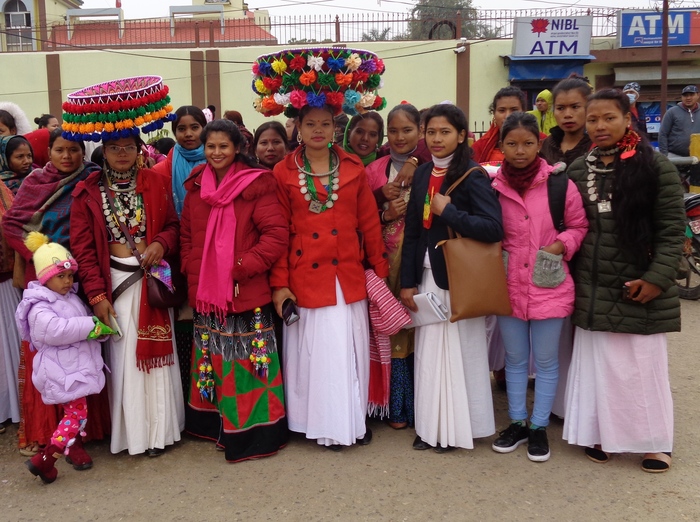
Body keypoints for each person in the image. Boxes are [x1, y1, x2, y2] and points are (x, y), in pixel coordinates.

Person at [563, 88, 684, 473]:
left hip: (639, 285)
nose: (599, 126)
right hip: (593, 285)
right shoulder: (580, 168)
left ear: (628, 118)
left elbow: (670, 231)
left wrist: (657, 280)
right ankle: (604, 436)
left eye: (608, 118)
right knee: (603, 368)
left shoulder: (655, 167)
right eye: (593, 119)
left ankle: (655, 443)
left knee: (641, 369)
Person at [271, 103, 389, 450]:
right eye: (310, 124)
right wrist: (280, 285)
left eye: (325, 124)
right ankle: (316, 422)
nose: (318, 130)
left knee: (346, 351)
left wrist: (379, 275)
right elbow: (280, 232)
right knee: (318, 354)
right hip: (306, 273)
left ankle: (351, 419)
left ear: (336, 127)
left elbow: (369, 224)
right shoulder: (282, 171)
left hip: (346, 272)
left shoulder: (352, 167)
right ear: (298, 128)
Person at [181, 119, 289, 462]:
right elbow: (187, 236)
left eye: (223, 147)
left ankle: (255, 436)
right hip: (209, 296)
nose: (216, 153)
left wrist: (239, 266)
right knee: (215, 362)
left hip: (245, 290)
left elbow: (276, 236)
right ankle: (218, 426)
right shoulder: (197, 186)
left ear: (238, 148)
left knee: (247, 366)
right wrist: (193, 267)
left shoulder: (257, 184)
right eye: (210, 147)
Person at [70, 133, 185, 457]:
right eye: (114, 148)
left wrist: (161, 243)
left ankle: (163, 432)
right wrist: (96, 296)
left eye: (128, 147)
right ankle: (136, 435)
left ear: (138, 150)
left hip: (153, 280)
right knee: (126, 360)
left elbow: (174, 226)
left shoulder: (155, 182)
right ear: (103, 152)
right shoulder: (87, 192)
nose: (122, 154)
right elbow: (84, 251)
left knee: (161, 359)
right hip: (115, 285)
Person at [400, 103, 502, 452]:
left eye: (445, 132)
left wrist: (450, 211)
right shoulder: (424, 173)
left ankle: (459, 428)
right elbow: (413, 232)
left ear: (462, 135)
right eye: (431, 132)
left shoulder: (474, 176)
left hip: (460, 280)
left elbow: (492, 228)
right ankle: (431, 427)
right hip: (428, 280)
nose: (437, 139)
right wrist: (407, 282)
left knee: (461, 352)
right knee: (430, 353)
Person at [3, 129, 109, 461]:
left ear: (82, 152)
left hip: (84, 272)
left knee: (82, 351)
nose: (67, 157)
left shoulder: (92, 178)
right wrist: (44, 252)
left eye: (74, 150)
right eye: (60, 150)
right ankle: (55, 434)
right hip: (46, 275)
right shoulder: (35, 182)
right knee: (51, 356)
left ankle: (83, 431)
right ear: (48, 152)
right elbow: (11, 225)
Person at [490, 112, 587, 462]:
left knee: (545, 362)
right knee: (515, 360)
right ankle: (516, 421)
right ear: (501, 146)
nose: (520, 151)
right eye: (512, 144)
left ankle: (539, 427)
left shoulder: (560, 185)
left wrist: (562, 244)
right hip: (508, 285)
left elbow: (578, 225)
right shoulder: (493, 187)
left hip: (549, 284)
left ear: (540, 143)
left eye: (528, 143)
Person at [15, 233, 110, 484]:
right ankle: (47, 459)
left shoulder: (69, 299)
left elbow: (81, 328)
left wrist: (98, 333)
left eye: (70, 275)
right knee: (75, 416)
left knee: (76, 415)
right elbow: (54, 330)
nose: (68, 281)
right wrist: (90, 325)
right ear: (45, 277)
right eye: (61, 276)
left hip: (72, 370)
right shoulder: (38, 305)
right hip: (63, 372)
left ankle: (53, 456)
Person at [365, 103, 422, 429]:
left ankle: (416, 406)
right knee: (391, 331)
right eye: (394, 131)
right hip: (384, 264)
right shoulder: (375, 170)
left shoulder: (428, 167)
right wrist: (383, 211)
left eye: (408, 130)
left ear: (419, 132)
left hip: (418, 262)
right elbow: (358, 220)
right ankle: (393, 407)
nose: (400, 137)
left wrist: (416, 160)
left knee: (418, 332)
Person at [152, 106, 207, 218]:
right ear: (174, 132)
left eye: (195, 127)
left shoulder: (218, 165)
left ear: (204, 129)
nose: (188, 134)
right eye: (181, 129)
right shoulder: (159, 172)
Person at [540, 75, 593, 167]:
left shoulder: (597, 145)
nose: (567, 114)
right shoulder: (545, 145)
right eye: (560, 108)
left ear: (588, 108)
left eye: (575, 107)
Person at [471, 86, 527, 164]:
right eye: (502, 110)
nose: (507, 116)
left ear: (524, 111)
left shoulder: (540, 141)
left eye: (514, 110)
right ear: (494, 113)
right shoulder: (480, 147)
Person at [658, 85, 700, 158]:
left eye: (691, 95)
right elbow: (663, 134)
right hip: (674, 155)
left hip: (697, 156)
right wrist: (665, 155)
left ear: (698, 95)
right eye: (685, 95)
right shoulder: (672, 112)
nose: (688, 98)